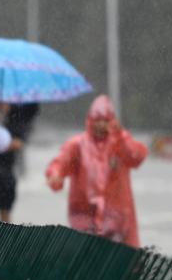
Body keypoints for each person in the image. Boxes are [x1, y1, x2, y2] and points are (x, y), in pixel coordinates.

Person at [45, 95, 147, 247]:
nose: (101, 125)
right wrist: (55, 175)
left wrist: (120, 137)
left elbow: (137, 157)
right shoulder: (77, 145)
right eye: (97, 120)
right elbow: (60, 163)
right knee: (87, 260)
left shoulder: (120, 141)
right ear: (90, 121)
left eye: (105, 121)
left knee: (118, 262)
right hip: (84, 216)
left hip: (118, 218)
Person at [0, 103, 40, 222]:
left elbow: (18, 143)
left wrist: (0, 142)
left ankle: (4, 239)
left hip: (6, 168)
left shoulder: (17, 118)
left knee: (5, 208)